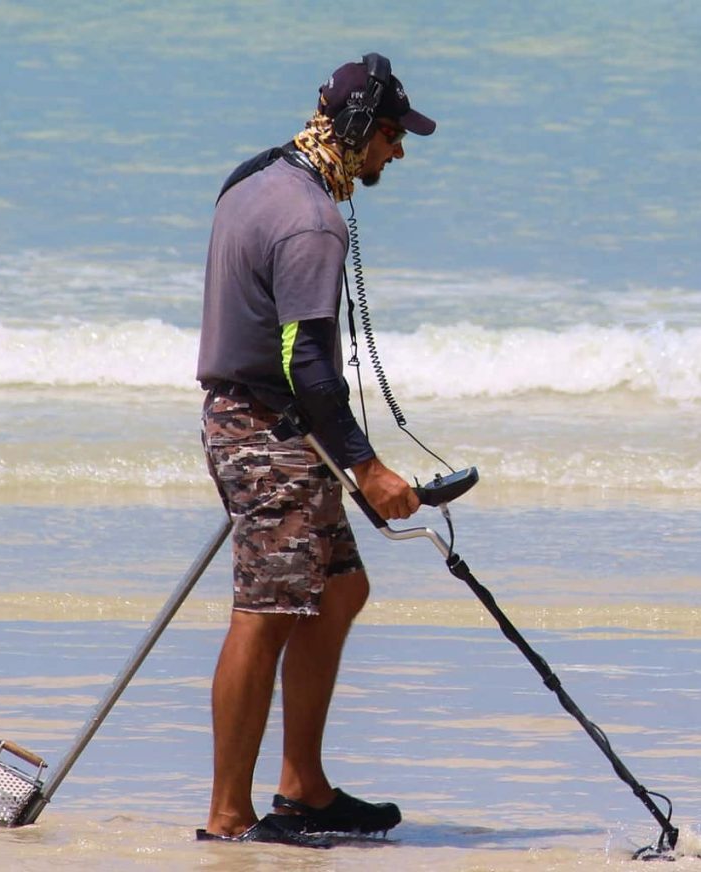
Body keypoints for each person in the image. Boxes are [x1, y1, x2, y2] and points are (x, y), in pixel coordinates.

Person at [193, 53, 435, 848]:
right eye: (394, 136)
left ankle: (304, 789)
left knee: (338, 590)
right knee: (264, 613)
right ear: (362, 130)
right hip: (267, 434)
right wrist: (368, 468)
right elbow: (309, 364)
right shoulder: (311, 222)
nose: (396, 154)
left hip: (261, 421)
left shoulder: (253, 177)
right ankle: (229, 816)